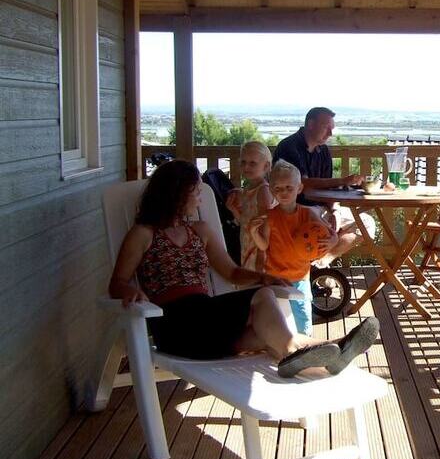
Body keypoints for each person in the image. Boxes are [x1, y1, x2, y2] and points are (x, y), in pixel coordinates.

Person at [108, 159, 379, 378]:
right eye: (196, 192)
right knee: (263, 300)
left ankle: (335, 349)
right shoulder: (143, 234)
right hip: (174, 325)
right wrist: (130, 292)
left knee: (267, 335)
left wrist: (265, 277)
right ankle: (326, 349)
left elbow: (232, 272)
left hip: (208, 326)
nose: (200, 199)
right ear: (177, 194)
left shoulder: (200, 231)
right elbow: (117, 283)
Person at [272, 107, 376, 266]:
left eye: (332, 129)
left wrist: (334, 210)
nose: (330, 133)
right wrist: (342, 181)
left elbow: (328, 189)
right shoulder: (289, 147)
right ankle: (312, 266)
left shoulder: (323, 151)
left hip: (322, 209)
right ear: (310, 124)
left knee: (367, 224)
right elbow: (303, 184)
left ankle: (320, 264)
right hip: (295, 209)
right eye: (326, 127)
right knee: (325, 229)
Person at [250, 160, 337, 336]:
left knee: (302, 321)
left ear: (299, 188)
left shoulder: (308, 214)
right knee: (279, 322)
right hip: (275, 278)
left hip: (300, 278)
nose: (284, 192)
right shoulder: (270, 217)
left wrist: (332, 242)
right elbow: (264, 245)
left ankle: (306, 345)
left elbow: (331, 233)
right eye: (278, 188)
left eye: (289, 188)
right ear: (272, 190)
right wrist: (254, 232)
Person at [226, 141, 275, 272]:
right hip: (248, 245)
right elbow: (246, 221)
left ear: (266, 166)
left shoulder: (263, 191)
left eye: (252, 163)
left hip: (257, 249)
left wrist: (261, 256)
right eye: (243, 162)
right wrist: (234, 210)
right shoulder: (248, 189)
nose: (246, 167)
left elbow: (266, 226)